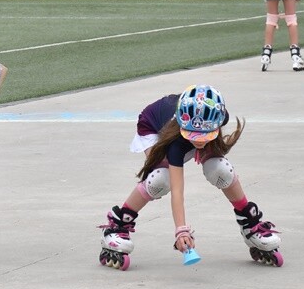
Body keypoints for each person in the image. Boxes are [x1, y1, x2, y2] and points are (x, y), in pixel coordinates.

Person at [98, 85, 282, 271]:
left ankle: (250, 224)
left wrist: (201, 145)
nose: (200, 141)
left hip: (187, 124)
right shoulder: (176, 143)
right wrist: (181, 231)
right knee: (161, 179)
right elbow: (177, 192)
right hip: (154, 127)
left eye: (206, 135)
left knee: (220, 169)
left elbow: (204, 138)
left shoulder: (217, 115)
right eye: (194, 136)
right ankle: (117, 224)